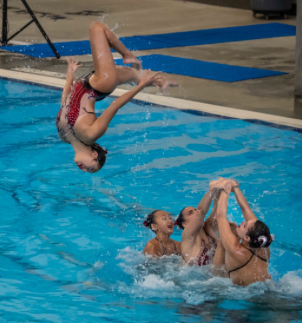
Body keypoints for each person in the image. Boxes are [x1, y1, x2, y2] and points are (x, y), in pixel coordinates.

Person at [56, 22, 176, 173]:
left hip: (89, 80)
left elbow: (64, 103)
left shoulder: (64, 137)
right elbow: (114, 105)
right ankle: (128, 56)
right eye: (91, 168)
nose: (84, 170)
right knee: (96, 28)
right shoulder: (92, 135)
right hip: (101, 84)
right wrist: (141, 87)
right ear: (94, 155)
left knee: (133, 75)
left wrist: (70, 75)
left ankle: (160, 82)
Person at [214, 180, 273, 286]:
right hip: (268, 288)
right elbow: (246, 209)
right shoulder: (263, 245)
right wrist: (235, 188)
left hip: (247, 297)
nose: (242, 222)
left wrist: (225, 189)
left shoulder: (236, 250)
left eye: (245, 225)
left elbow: (221, 216)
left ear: (246, 238)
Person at [176, 179, 228, 266]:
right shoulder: (188, 236)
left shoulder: (209, 228)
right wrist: (212, 190)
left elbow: (217, 208)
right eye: (190, 213)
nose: (195, 213)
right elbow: (200, 212)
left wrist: (220, 189)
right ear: (185, 224)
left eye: (195, 210)